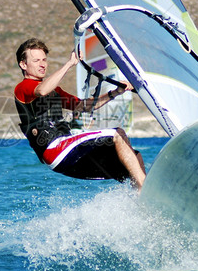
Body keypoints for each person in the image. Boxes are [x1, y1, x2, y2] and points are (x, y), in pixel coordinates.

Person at [14, 37, 146, 189]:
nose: (42, 64)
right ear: (23, 64)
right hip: (55, 148)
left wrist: (115, 92)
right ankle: (144, 189)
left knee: (134, 159)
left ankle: (140, 199)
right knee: (117, 134)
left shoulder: (55, 91)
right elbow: (42, 90)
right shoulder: (23, 87)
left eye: (44, 59)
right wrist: (70, 64)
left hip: (69, 154)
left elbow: (84, 106)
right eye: (36, 60)